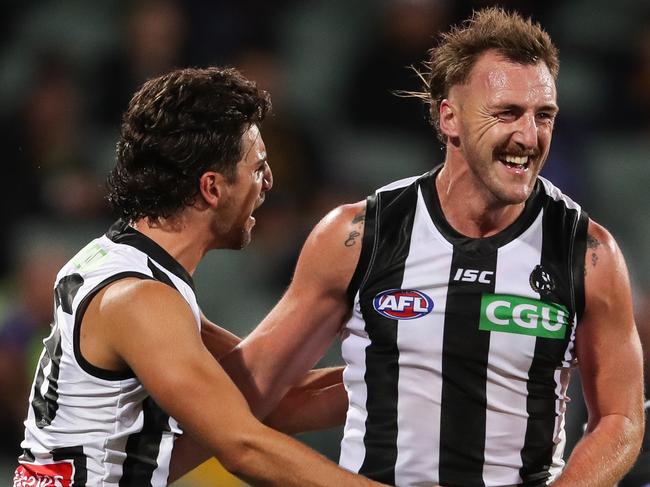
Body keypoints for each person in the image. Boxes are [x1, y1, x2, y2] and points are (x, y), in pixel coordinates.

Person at [221, 8, 645, 487]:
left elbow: (620, 420)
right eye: (507, 113)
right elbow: (250, 390)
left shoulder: (587, 251)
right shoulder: (360, 235)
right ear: (450, 118)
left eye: (543, 115)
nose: (529, 136)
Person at [13, 66, 387, 487]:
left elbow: (276, 395)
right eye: (257, 167)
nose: (268, 181)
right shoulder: (140, 300)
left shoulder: (116, 262)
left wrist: (413, 369)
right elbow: (243, 446)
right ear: (212, 187)